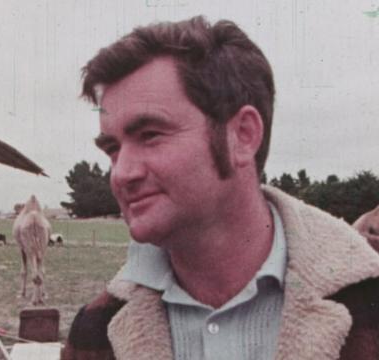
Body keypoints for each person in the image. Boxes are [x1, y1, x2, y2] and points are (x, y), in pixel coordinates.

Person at [62, 16, 379, 360]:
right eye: (113, 149)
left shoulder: (367, 304)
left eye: (150, 135)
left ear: (243, 136)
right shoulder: (96, 332)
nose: (121, 173)